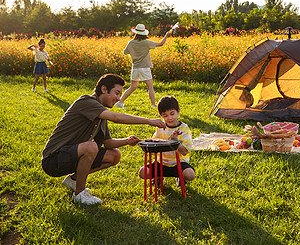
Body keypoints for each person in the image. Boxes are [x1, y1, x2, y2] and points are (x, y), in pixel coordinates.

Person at [41, 74, 166, 205]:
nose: (118, 98)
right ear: (104, 89)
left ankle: (73, 180)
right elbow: (116, 118)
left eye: (120, 95)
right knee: (91, 147)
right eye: (117, 93)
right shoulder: (86, 101)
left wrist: (127, 140)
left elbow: (108, 143)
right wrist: (148, 121)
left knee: (114, 155)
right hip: (53, 159)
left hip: (71, 156)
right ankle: (79, 193)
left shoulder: (101, 115)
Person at [138, 95, 195, 187]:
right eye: (165, 115)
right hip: (161, 162)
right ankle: (159, 177)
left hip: (179, 163)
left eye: (172, 114)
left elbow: (185, 152)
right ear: (161, 116)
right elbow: (155, 143)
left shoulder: (184, 128)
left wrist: (175, 142)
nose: (169, 118)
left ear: (178, 111)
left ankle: (180, 177)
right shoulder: (160, 127)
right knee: (142, 172)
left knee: (190, 174)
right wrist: (146, 141)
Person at [115, 24, 173, 109]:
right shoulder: (146, 42)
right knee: (150, 87)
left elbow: (125, 52)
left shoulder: (131, 43)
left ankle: (120, 102)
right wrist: (166, 35)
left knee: (132, 87)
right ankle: (153, 105)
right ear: (144, 33)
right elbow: (161, 44)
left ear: (136, 33)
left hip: (135, 68)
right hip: (145, 68)